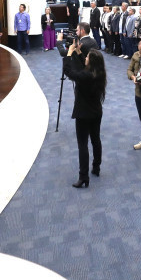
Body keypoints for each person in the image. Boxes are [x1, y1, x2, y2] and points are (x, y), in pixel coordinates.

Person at [63, 41, 106, 188]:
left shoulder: (85, 77)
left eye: (87, 57)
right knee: (96, 139)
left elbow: (69, 72)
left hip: (83, 114)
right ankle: (96, 167)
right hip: (96, 112)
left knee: (83, 145)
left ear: (91, 62)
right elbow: (85, 68)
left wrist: (69, 53)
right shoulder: (99, 73)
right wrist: (80, 53)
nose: (85, 58)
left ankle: (83, 177)